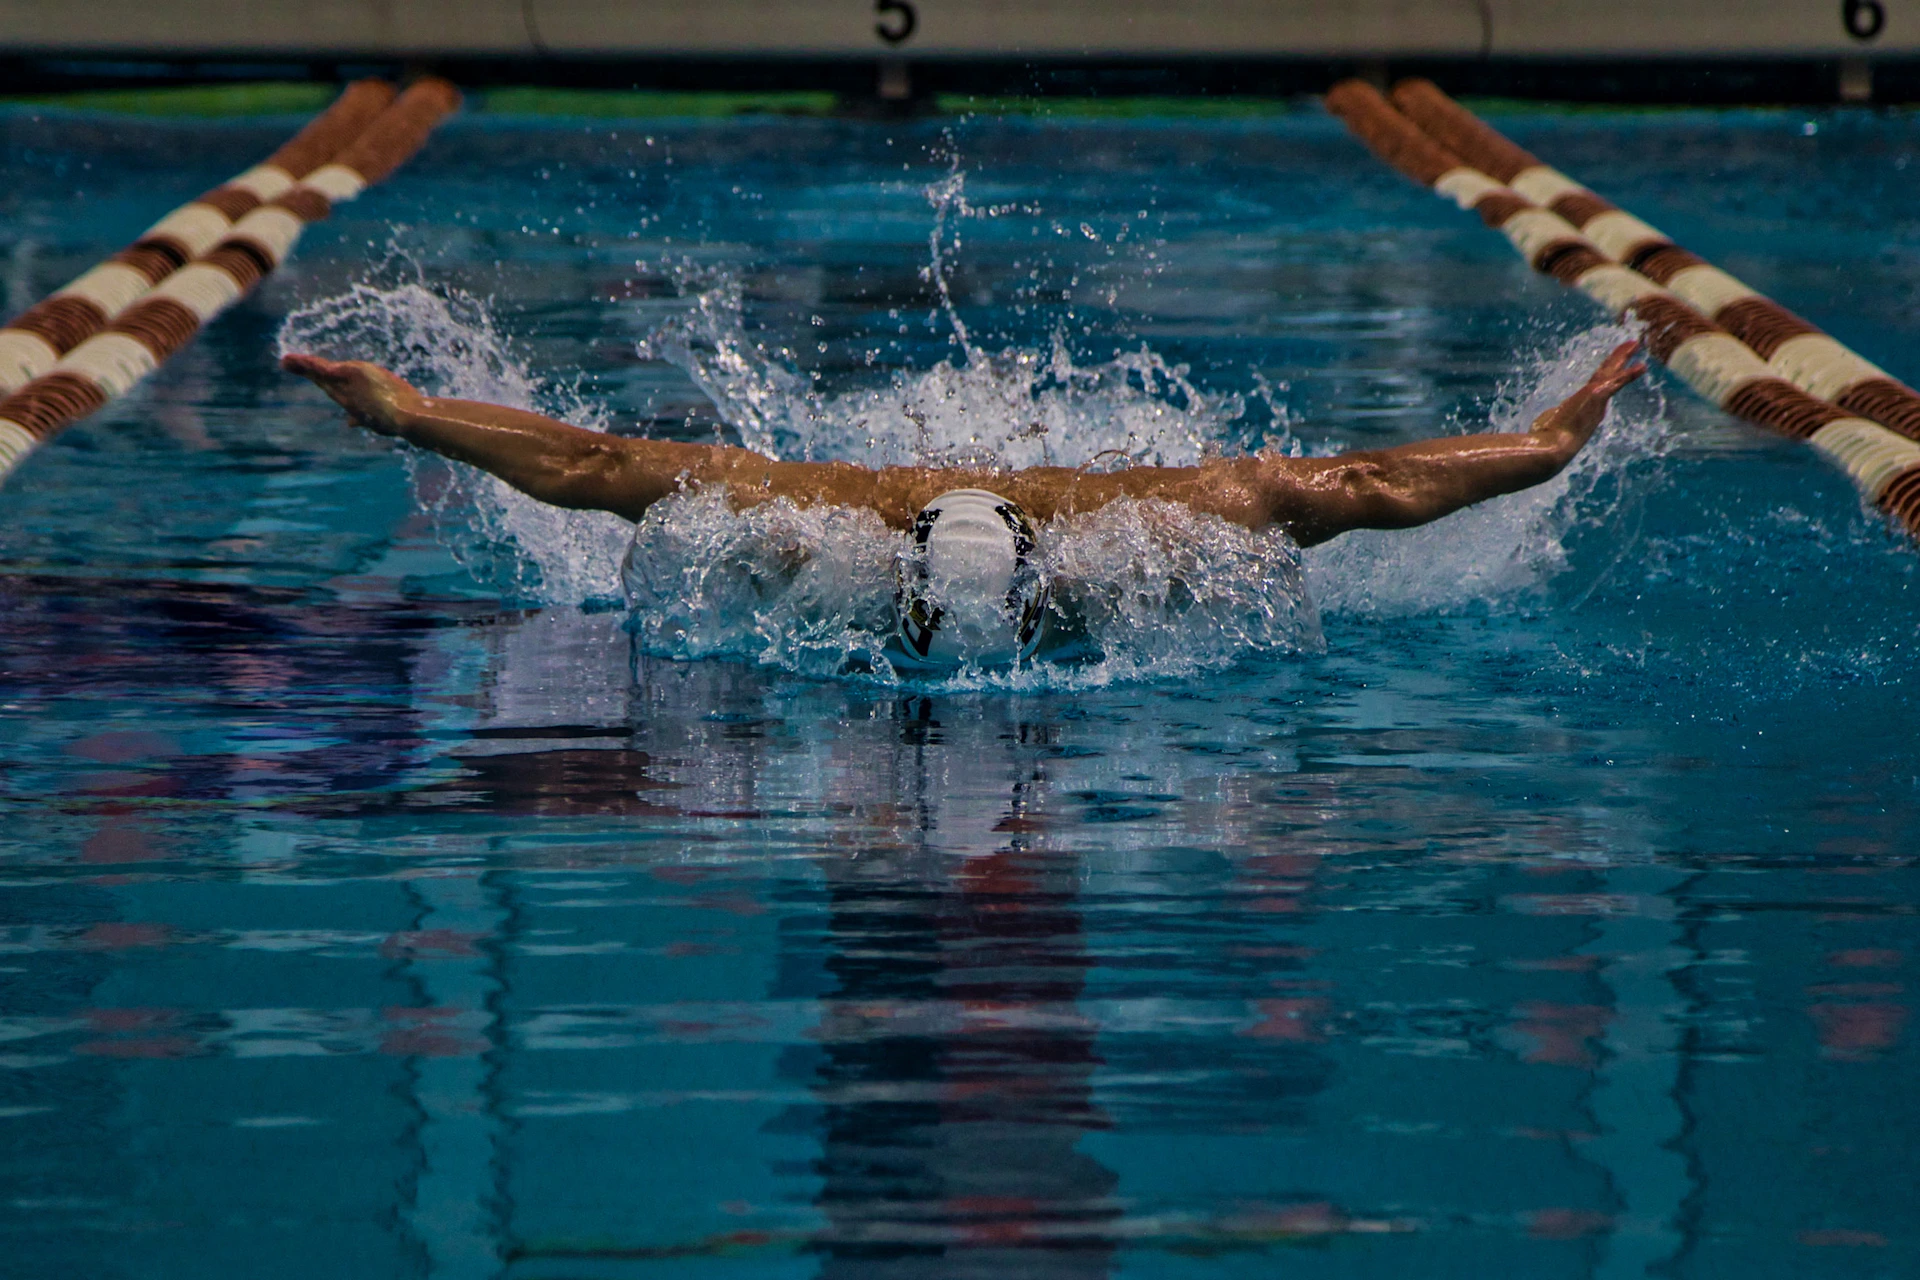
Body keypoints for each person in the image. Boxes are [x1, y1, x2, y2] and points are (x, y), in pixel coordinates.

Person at [282, 341, 1645, 665]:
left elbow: (1360, 484)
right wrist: (404, 412)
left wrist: (1545, 443)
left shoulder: (1160, 512)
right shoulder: (822, 513)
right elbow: (587, 465)